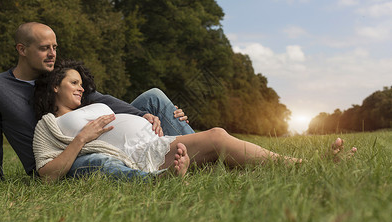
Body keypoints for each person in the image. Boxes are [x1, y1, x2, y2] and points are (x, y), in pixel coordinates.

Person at [33, 60, 357, 183]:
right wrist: (81, 139)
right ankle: (304, 166)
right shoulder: (50, 125)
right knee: (217, 137)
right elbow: (46, 172)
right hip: (140, 156)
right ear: (54, 87)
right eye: (73, 83)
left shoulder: (92, 104)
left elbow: (125, 118)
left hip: (151, 140)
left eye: (81, 83)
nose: (80, 88)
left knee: (216, 141)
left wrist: (144, 117)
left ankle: (301, 166)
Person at [0, 22, 193, 181]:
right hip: (61, 157)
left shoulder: (56, 75)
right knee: (98, 161)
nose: (52, 54)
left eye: (54, 47)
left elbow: (99, 99)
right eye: (44, 48)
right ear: (22, 49)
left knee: (153, 98)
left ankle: (199, 153)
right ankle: (155, 177)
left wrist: (143, 115)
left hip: (93, 137)